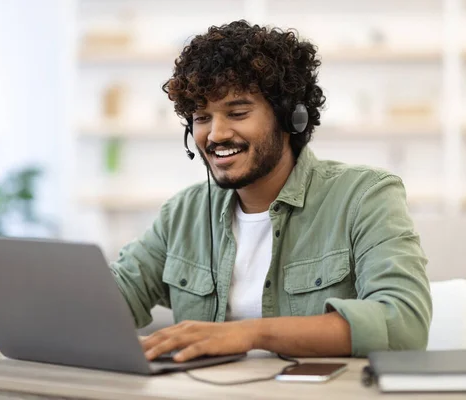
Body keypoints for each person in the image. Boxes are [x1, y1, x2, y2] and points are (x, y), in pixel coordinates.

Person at [110, 20, 432, 363]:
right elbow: (110, 298)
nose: (215, 134)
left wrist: (249, 334)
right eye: (201, 117)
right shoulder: (183, 214)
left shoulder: (364, 198)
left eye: (237, 112)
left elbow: (403, 325)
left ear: (291, 118)